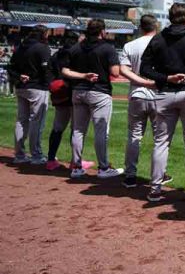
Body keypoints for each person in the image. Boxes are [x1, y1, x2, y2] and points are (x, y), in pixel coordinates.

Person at [140, 3, 185, 202]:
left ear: (170, 18)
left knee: (161, 142)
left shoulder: (158, 39)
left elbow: (144, 69)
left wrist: (167, 78)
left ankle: (155, 189)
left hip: (165, 94)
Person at [61, 19, 124, 179]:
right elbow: (115, 72)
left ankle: (76, 167)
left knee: (78, 130)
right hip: (99, 92)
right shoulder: (107, 48)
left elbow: (65, 71)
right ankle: (103, 168)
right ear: (102, 31)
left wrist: (82, 75)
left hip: (78, 91)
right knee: (101, 131)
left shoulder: (76, 48)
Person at [119, 15, 168, 188]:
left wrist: (141, 81)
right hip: (158, 94)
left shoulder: (130, 45)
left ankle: (130, 175)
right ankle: (159, 174)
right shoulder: (164, 43)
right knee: (160, 139)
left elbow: (123, 70)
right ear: (156, 26)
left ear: (141, 27)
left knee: (134, 136)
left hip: (137, 94)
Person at [46, 31, 95, 171]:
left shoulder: (57, 54)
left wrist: (53, 84)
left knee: (58, 127)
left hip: (59, 93)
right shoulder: (76, 53)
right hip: (72, 92)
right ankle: (75, 162)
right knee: (76, 129)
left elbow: (48, 72)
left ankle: (50, 160)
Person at [8, 24, 52, 165]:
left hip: (21, 86)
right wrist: (49, 84)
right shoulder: (42, 47)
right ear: (43, 34)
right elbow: (46, 70)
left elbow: (11, 66)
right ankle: (36, 155)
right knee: (36, 122)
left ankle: (20, 155)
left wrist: (19, 76)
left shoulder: (21, 46)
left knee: (21, 121)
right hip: (37, 87)